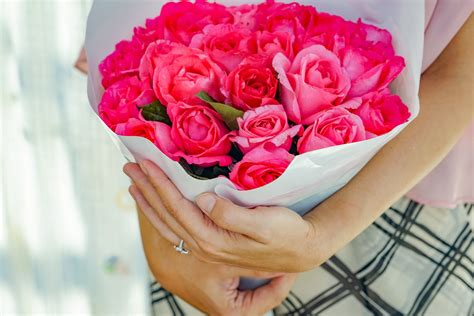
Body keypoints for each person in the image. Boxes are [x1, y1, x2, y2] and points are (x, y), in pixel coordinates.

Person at [78, 1, 473, 315]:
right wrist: (170, 235)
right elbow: (136, 52)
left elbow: (461, 72)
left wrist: (323, 236)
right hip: (196, 220)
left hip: (400, 201)